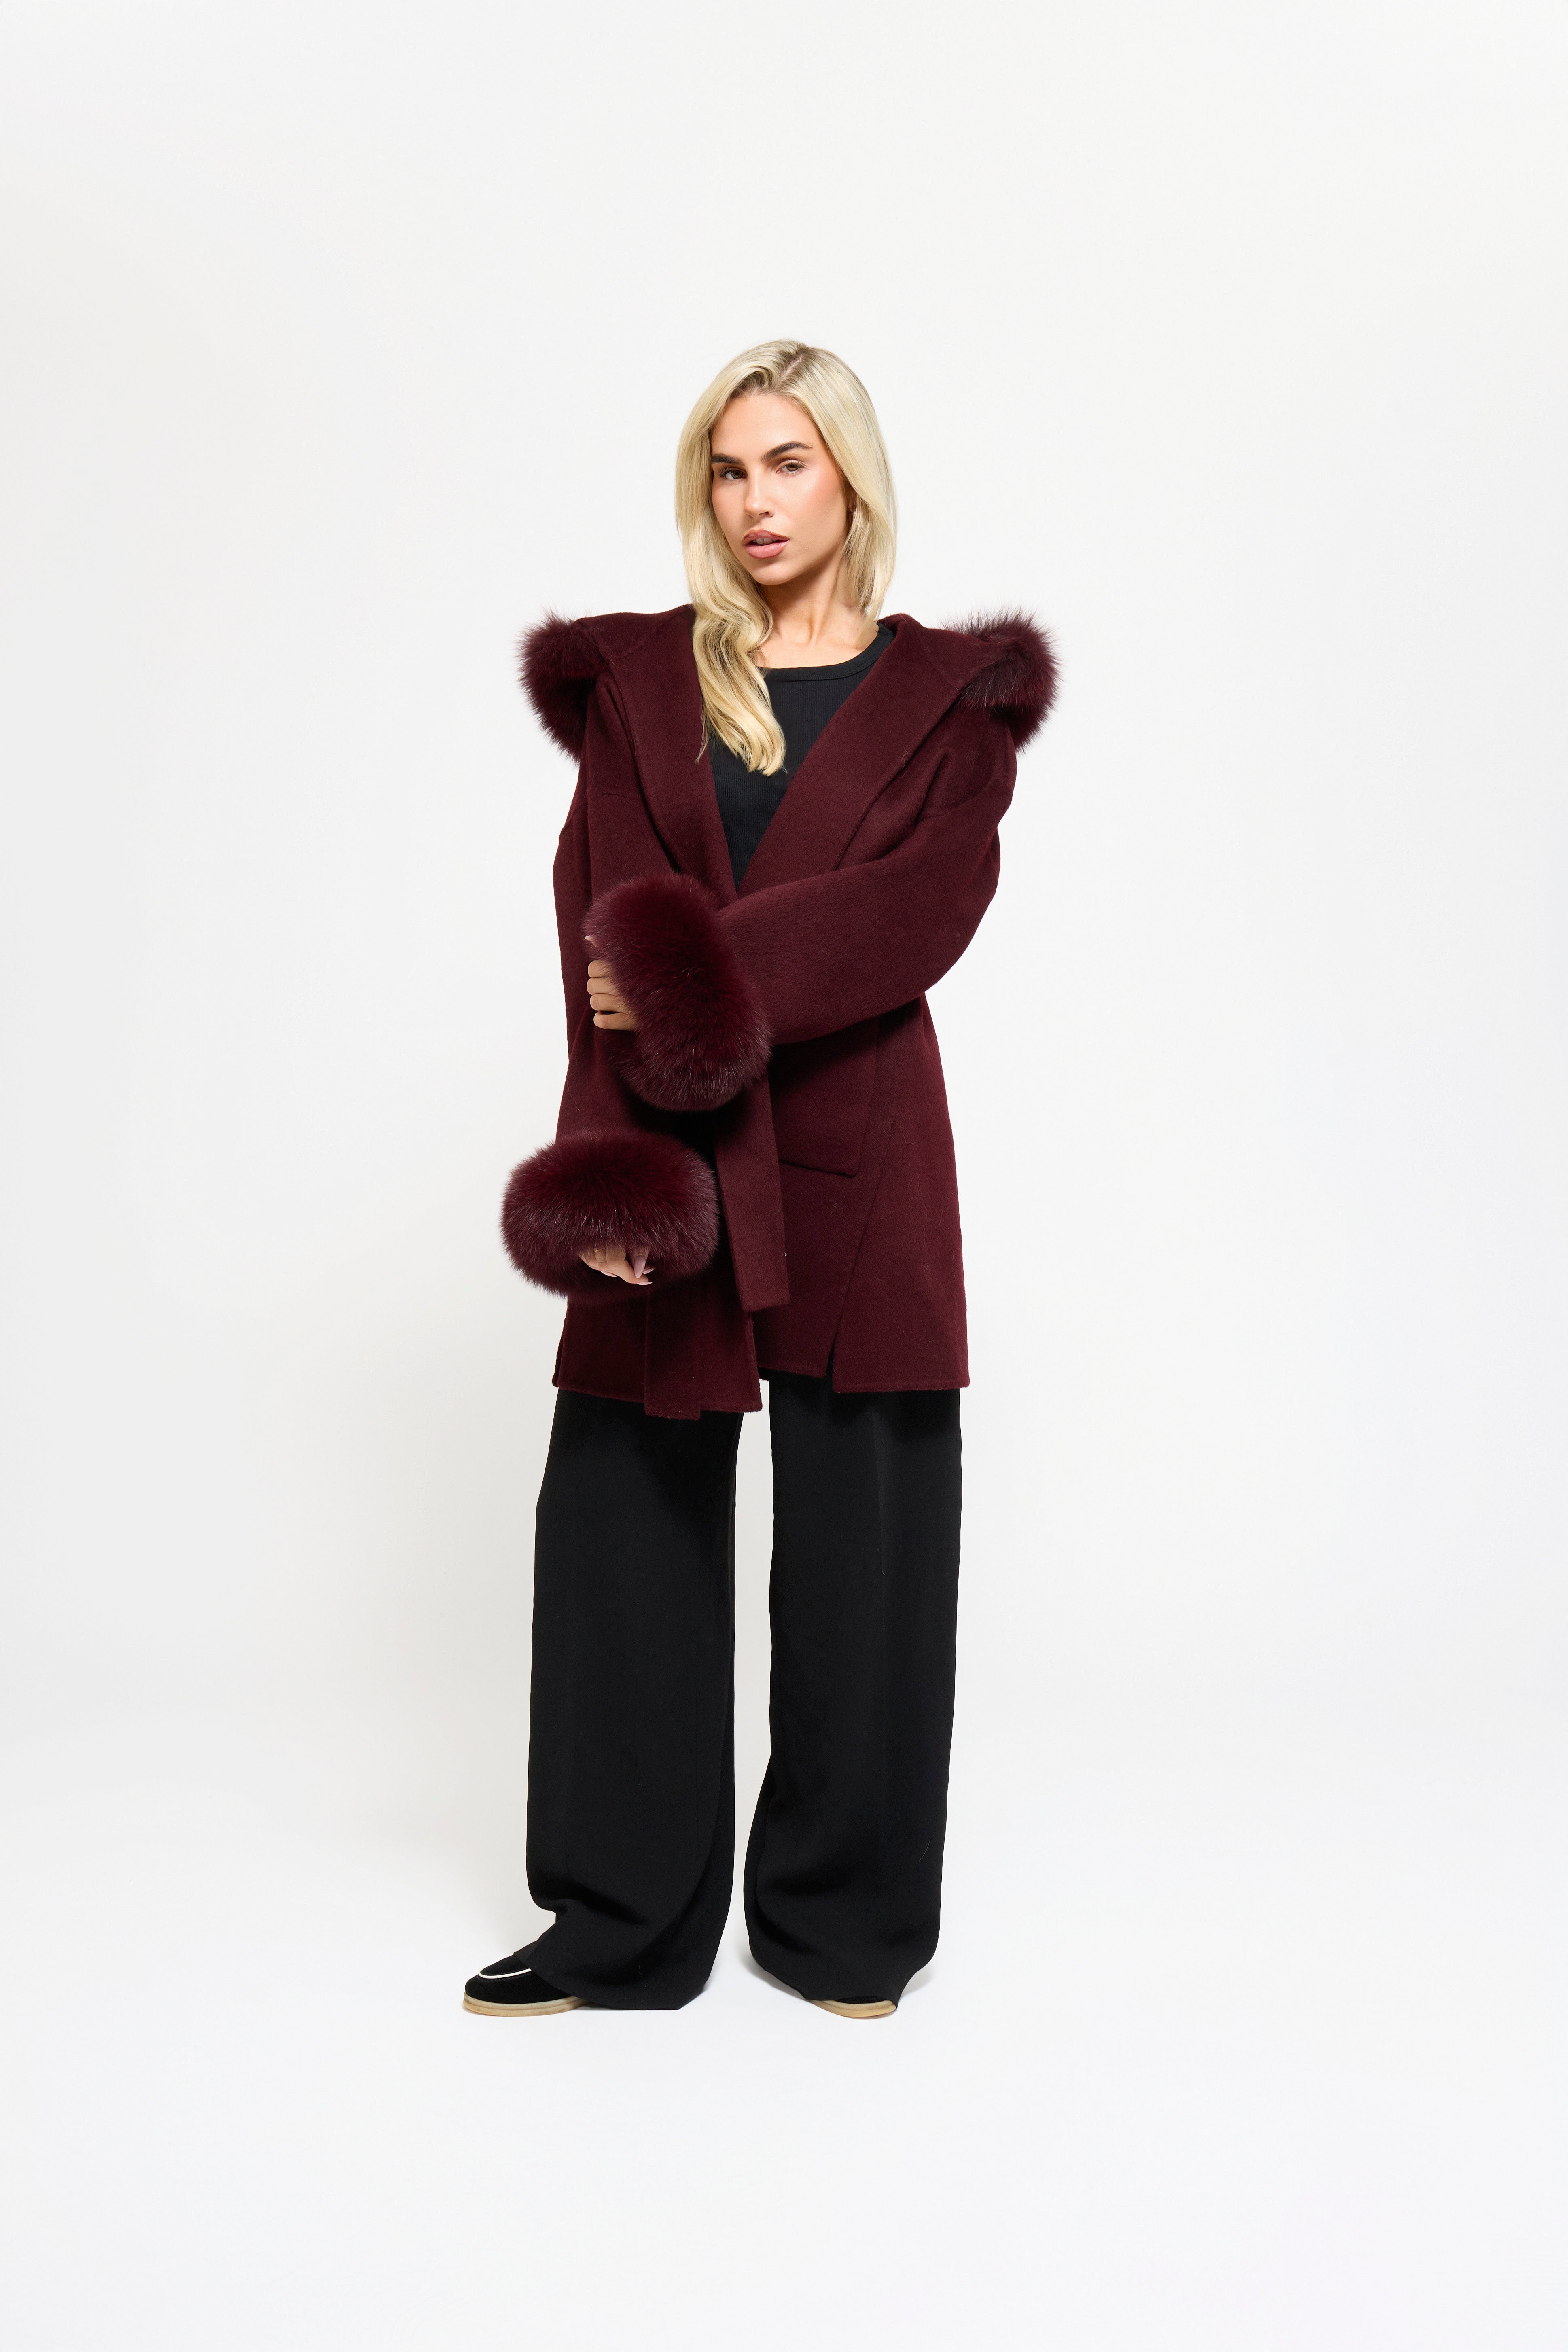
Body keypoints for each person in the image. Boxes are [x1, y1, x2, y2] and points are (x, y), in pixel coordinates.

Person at [463, 340, 1055, 2020]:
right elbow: (594, 925)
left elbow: (922, 908)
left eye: (787, 463)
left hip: (864, 1143)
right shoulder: (639, 682)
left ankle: (843, 1921)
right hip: (666, 1143)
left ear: (849, 475)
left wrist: (684, 977)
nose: (754, 501)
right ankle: (617, 1918)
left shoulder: (950, 698)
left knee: (871, 1539)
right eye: (727, 470)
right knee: (621, 1520)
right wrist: (610, 1180)